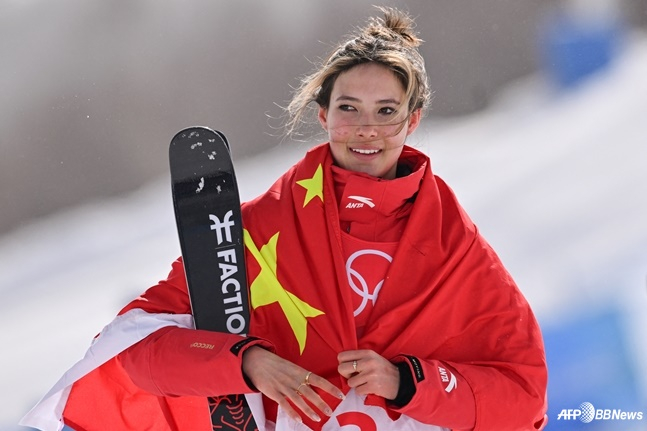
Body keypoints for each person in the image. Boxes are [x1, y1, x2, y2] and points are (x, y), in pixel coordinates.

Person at [21, 7, 548, 431]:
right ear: (324, 115)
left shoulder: (457, 249)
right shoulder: (257, 230)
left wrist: (406, 381)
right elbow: (134, 347)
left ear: (413, 121)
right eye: (348, 108)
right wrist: (244, 363)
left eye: (386, 111)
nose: (366, 128)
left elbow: (523, 402)